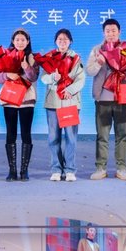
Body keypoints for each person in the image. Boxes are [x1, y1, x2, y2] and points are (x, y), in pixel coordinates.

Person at [86, 19, 126, 181]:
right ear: (103, 33)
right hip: (103, 98)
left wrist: (124, 74)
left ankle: (122, 168)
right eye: (108, 31)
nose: (111, 34)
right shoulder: (97, 50)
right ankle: (101, 168)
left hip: (122, 97)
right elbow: (89, 71)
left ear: (119, 32)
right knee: (102, 135)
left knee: (122, 134)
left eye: (114, 30)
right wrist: (99, 62)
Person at [0, 29, 39, 181]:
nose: (20, 42)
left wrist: (26, 67)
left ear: (28, 41)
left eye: (23, 40)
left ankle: (24, 170)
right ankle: (12, 170)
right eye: (17, 39)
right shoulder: (5, 55)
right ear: (13, 41)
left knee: (26, 133)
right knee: (10, 133)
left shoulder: (32, 57)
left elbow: (34, 77)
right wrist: (7, 75)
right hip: (10, 100)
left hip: (27, 101)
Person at [42, 28, 85, 181]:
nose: (62, 42)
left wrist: (70, 90)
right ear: (55, 41)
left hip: (70, 102)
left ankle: (70, 170)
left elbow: (81, 79)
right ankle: (56, 169)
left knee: (70, 138)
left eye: (65, 39)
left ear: (70, 41)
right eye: (59, 39)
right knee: (53, 137)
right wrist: (52, 77)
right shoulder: (49, 58)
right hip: (53, 103)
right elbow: (43, 78)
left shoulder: (76, 58)